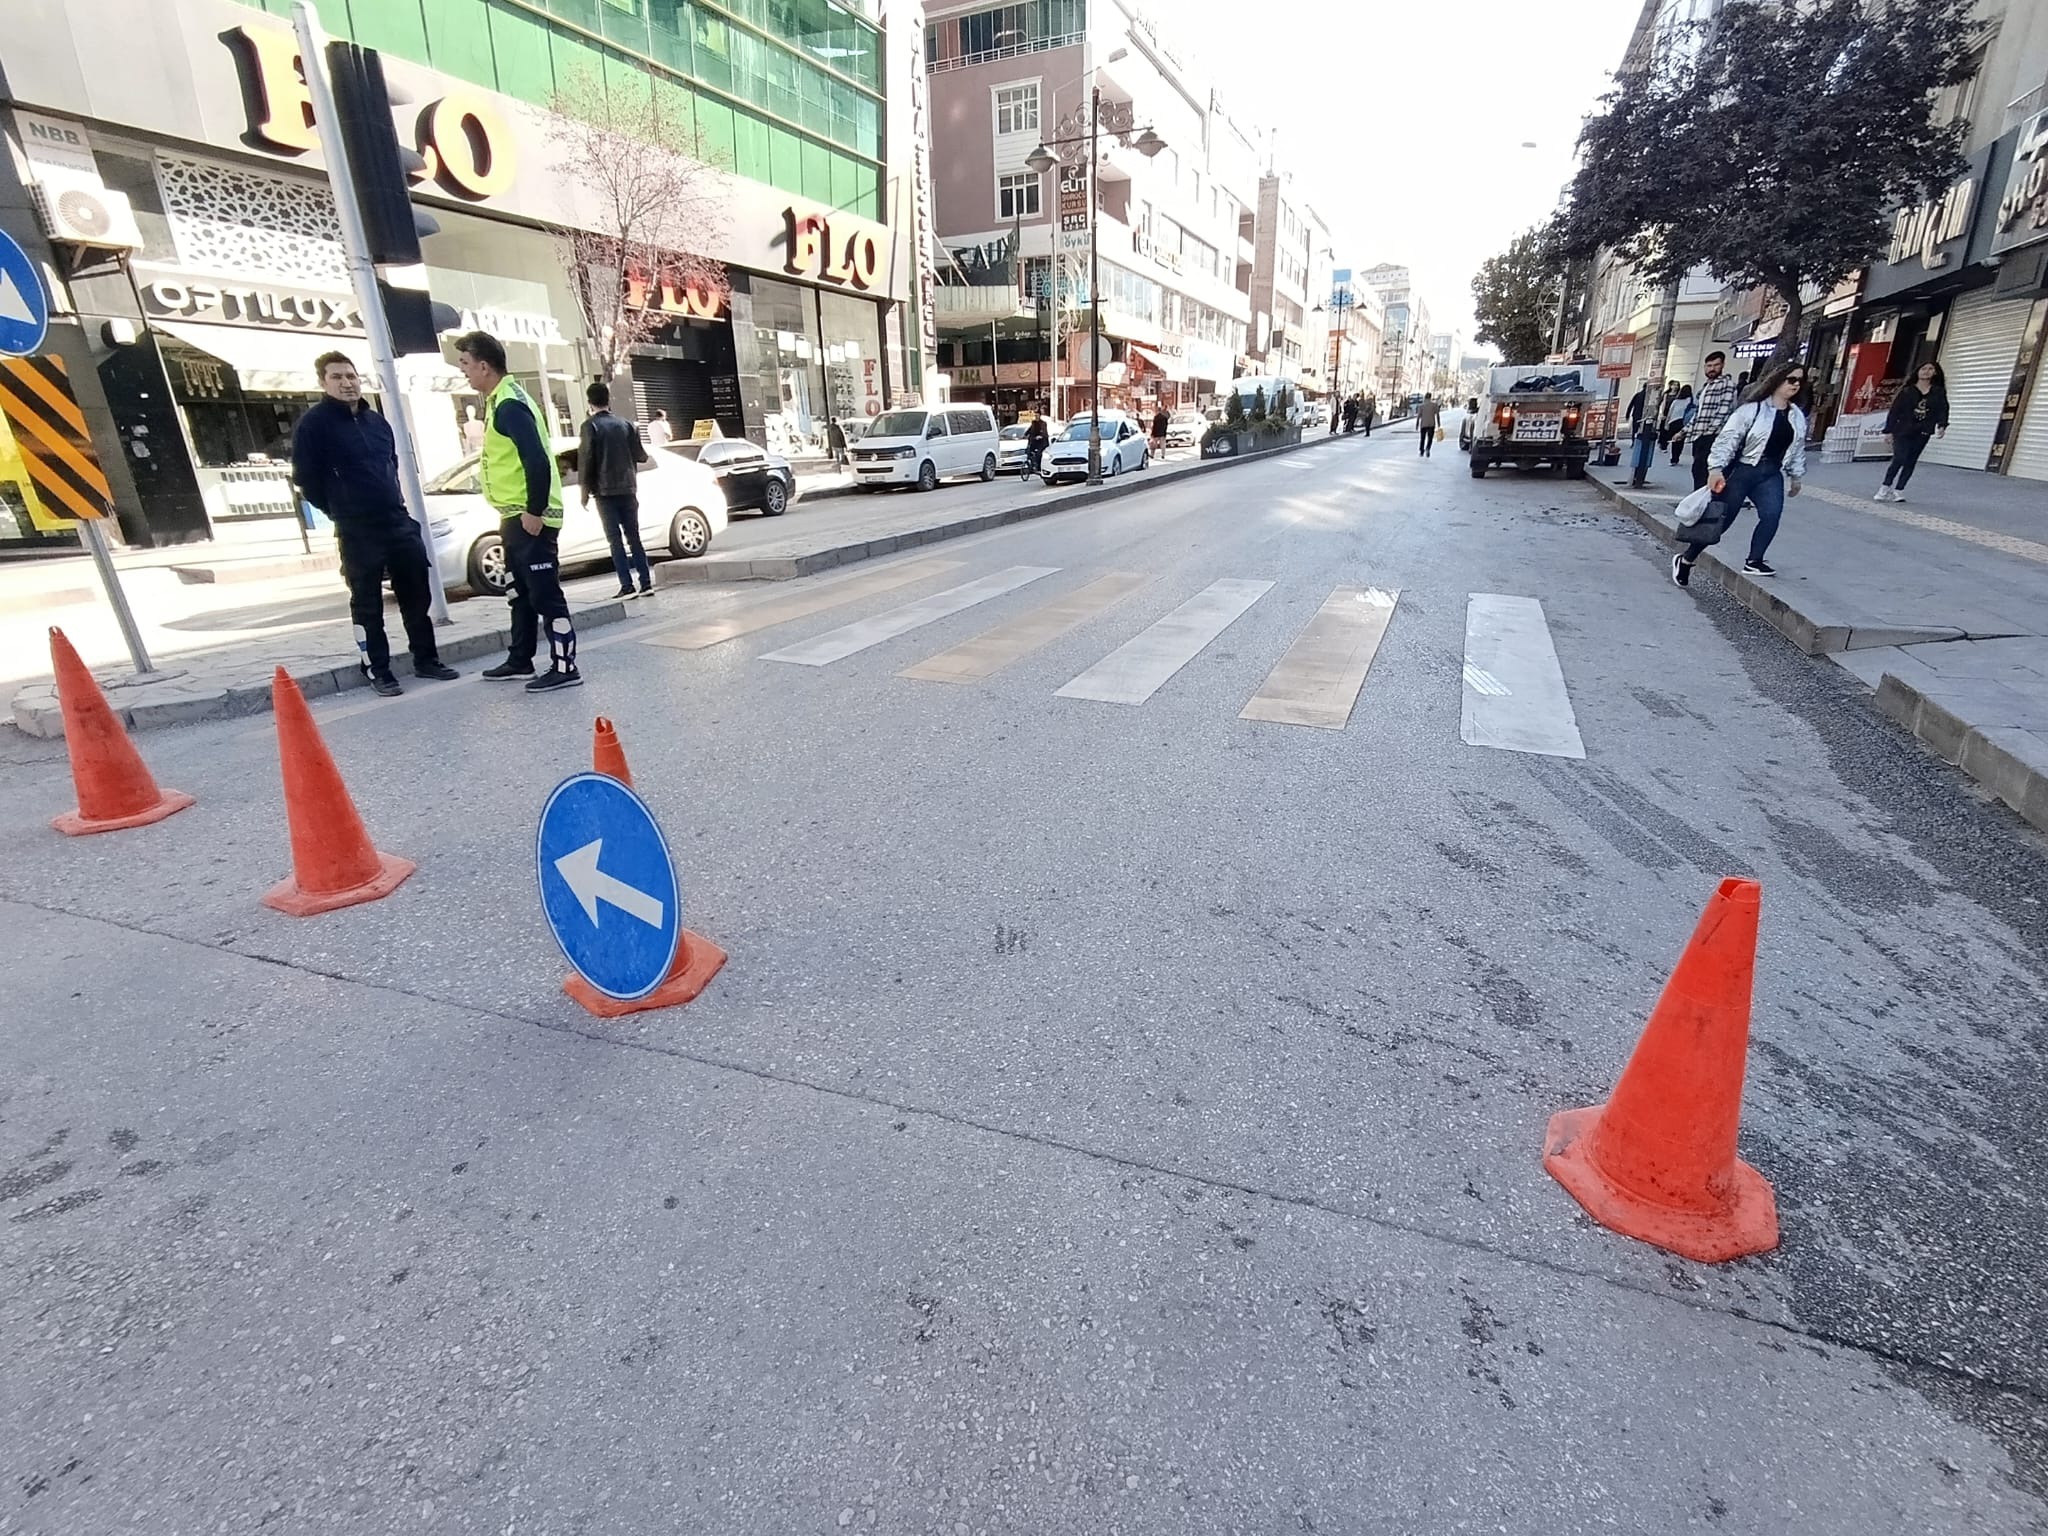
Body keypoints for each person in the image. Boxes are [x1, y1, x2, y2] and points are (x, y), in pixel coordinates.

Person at [290, 351, 459, 697]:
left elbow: (391, 465)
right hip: (356, 527)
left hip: (395, 520)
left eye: (351, 376)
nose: (347, 383)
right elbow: (307, 480)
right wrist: (340, 509)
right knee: (367, 603)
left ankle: (426, 659)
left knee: (415, 594)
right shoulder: (314, 425)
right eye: (337, 377)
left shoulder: (377, 423)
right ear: (323, 383)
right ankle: (377, 670)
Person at [455, 331, 581, 693]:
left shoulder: (509, 404)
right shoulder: (499, 401)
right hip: (514, 516)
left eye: (466, 363)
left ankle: (565, 665)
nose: (464, 372)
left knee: (544, 594)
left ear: (483, 365)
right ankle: (520, 658)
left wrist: (535, 510)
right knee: (519, 592)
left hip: (530, 518)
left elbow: (537, 459)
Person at [1672, 359, 1809, 589]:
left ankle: (1754, 560)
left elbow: (1797, 447)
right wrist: (1715, 469)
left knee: (1772, 515)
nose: (1795, 385)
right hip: (1744, 470)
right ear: (1777, 381)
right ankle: (1686, 559)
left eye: (1800, 381)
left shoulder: (1796, 416)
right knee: (1721, 522)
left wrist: (1796, 476)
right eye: (1791, 379)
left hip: (1771, 473)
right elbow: (1728, 439)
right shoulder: (1752, 410)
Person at [578, 380, 653, 600]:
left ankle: (627, 585)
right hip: (629, 488)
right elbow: (641, 455)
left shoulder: (589, 426)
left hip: (604, 492)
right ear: (608, 400)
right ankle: (646, 583)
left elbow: (586, 459)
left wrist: (584, 491)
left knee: (615, 540)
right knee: (634, 537)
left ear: (590, 402)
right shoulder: (627, 424)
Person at [1876, 362, 1948, 502]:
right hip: (1903, 429)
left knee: (1911, 461)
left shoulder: (1938, 392)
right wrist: (1888, 431)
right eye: (1923, 369)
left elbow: (1943, 409)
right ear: (1917, 371)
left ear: (1935, 372)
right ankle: (1885, 486)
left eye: (1930, 369)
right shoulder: (1907, 391)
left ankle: (1899, 490)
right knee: (1899, 458)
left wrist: (1942, 425)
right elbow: (1894, 411)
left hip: (1923, 430)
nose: (1926, 371)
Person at [1684, 351, 1738, 491]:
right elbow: (1698, 413)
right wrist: (1683, 432)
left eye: (1716, 365)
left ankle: (1707, 503)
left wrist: (1709, 432)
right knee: (1698, 471)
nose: (1712, 369)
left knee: (1705, 473)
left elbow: (1723, 411)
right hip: (1699, 436)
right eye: (1709, 366)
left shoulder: (1726, 385)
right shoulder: (1706, 387)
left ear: (1722, 365)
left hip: (1713, 436)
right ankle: (1700, 501)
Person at [1663, 384, 1694, 464]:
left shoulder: (1676, 401)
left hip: (1673, 422)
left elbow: (1670, 412)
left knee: (1674, 440)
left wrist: (1667, 423)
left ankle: (1673, 458)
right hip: (1683, 422)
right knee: (1680, 441)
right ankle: (1677, 457)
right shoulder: (1691, 400)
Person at [1414, 392, 1441, 456]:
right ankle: (1428, 448)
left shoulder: (1421, 406)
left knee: (1422, 438)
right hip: (1431, 424)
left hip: (1423, 424)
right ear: (1430, 397)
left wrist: (1417, 425)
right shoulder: (1434, 405)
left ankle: (1421, 451)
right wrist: (1439, 424)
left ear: (1425, 397)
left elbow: (1418, 416)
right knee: (1430, 438)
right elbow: (1437, 415)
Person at [1024, 413, 1049, 477]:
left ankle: (1038, 466)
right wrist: (1025, 434)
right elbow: (1030, 429)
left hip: (1041, 442)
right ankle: (1031, 464)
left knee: (1039, 453)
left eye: (1037, 415)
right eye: (1035, 416)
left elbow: (1045, 432)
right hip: (1034, 441)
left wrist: (1041, 436)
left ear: (1040, 416)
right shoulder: (1033, 423)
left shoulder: (1043, 423)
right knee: (1028, 451)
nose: (1036, 417)